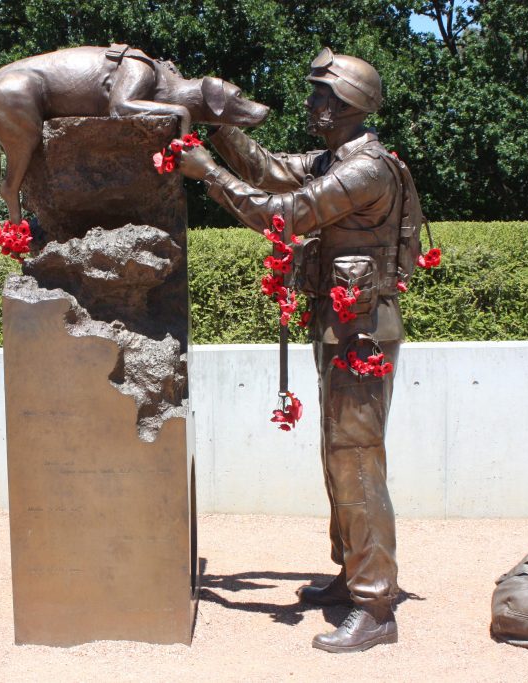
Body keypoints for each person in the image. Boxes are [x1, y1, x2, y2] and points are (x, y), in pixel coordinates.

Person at [179, 48, 419, 653]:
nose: (310, 105)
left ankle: (376, 605)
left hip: (362, 333)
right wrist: (218, 123)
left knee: (358, 460)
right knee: (339, 454)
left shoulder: (365, 170)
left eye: (320, 97)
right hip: (343, 326)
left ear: (347, 107)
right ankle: (352, 575)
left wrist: (207, 173)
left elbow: (284, 213)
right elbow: (270, 170)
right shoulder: (336, 157)